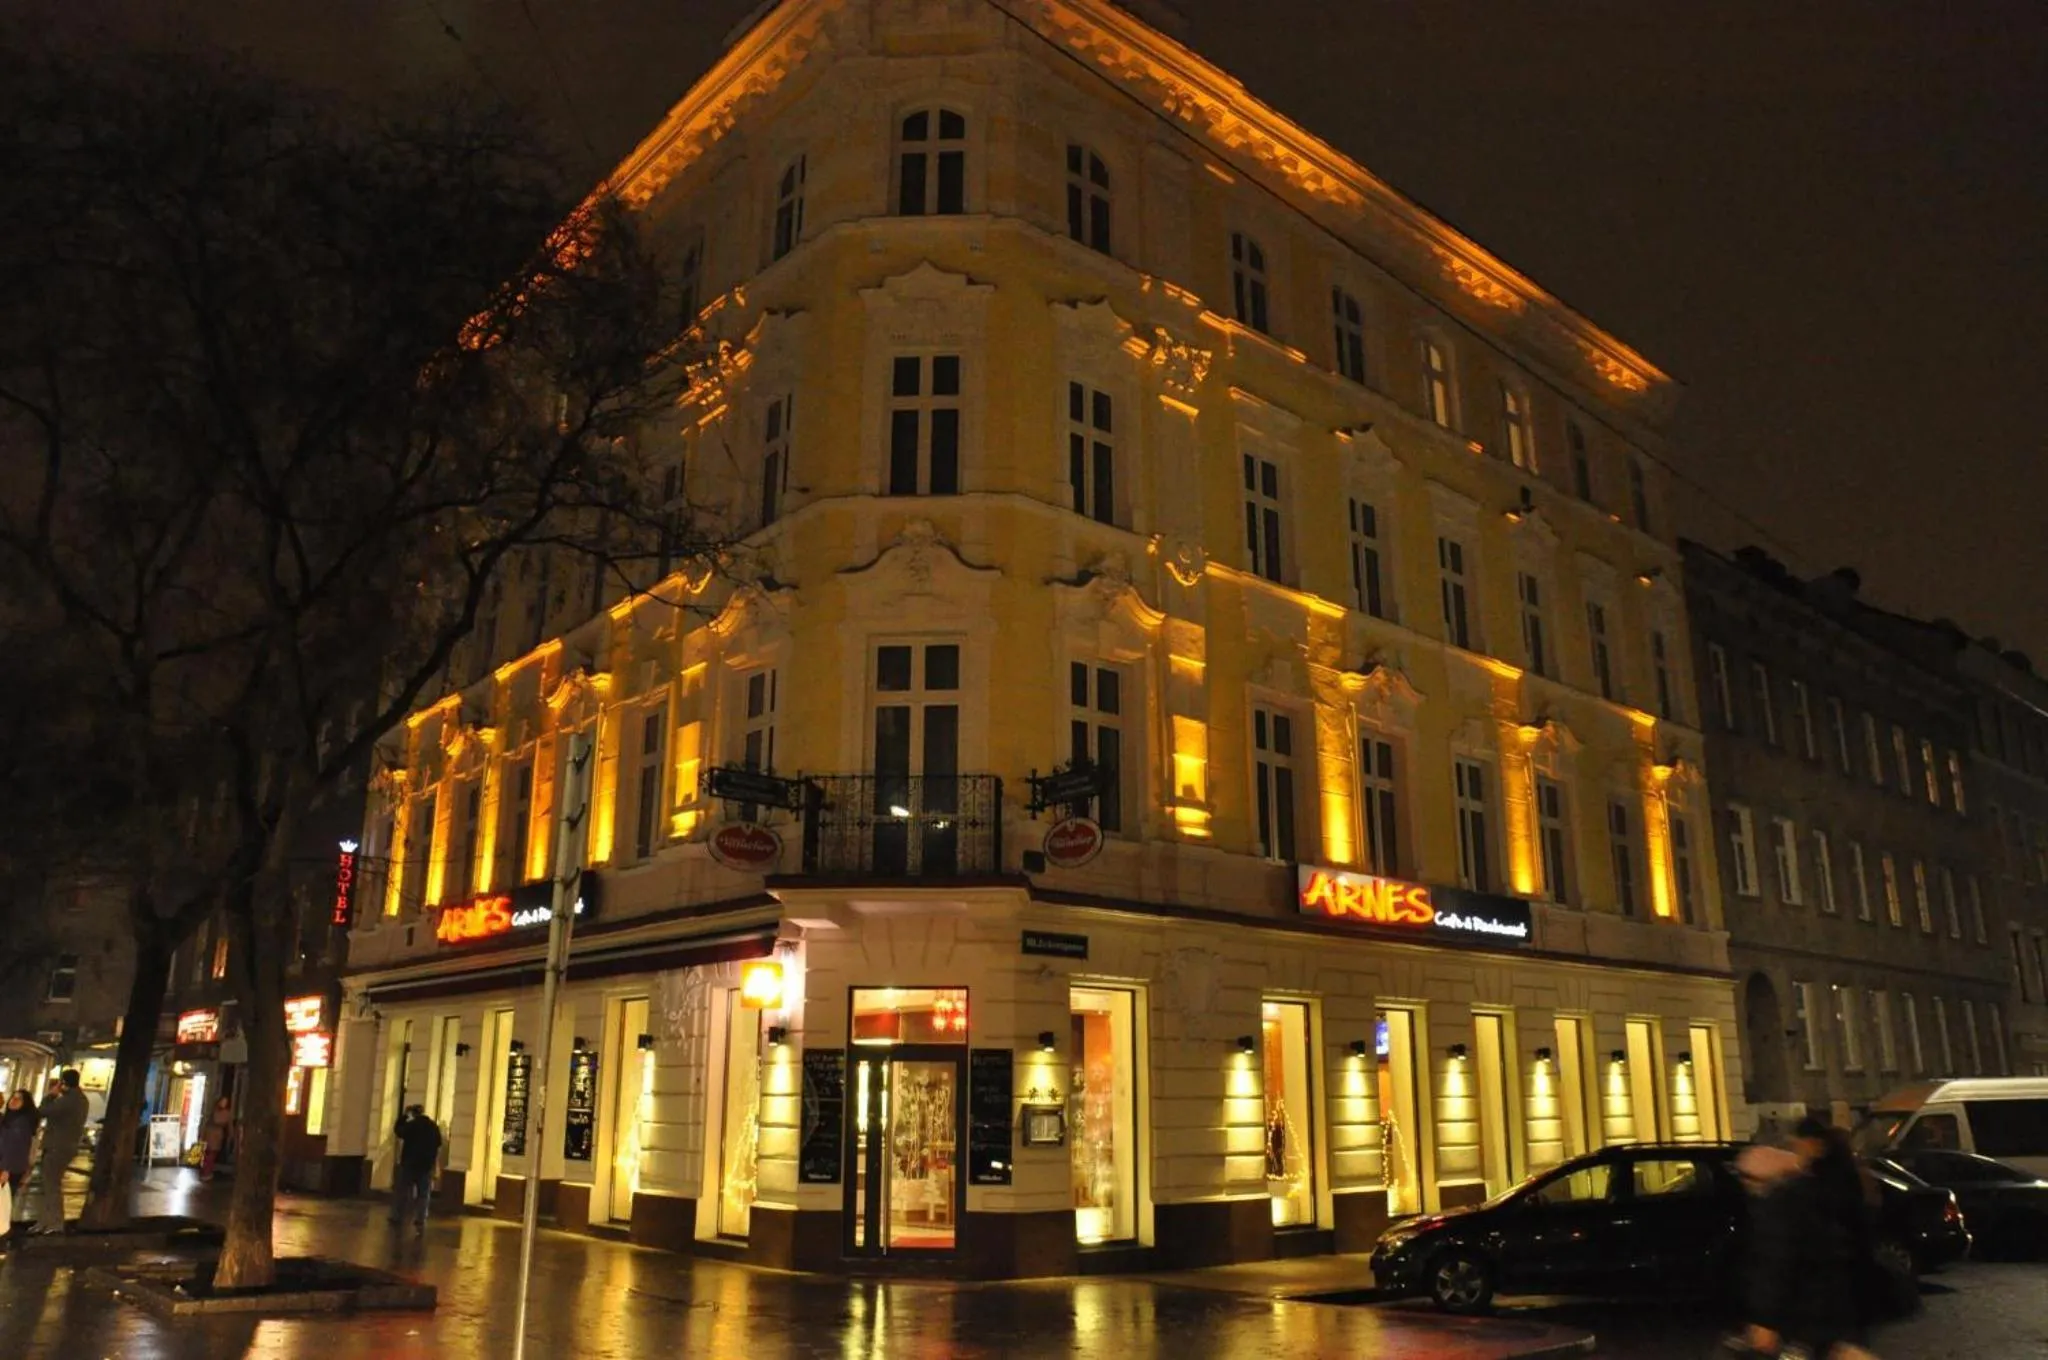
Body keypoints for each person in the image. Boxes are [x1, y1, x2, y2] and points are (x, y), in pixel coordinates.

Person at [1741, 1117, 1881, 1359]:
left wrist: (1765, 1319)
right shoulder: (1844, 1185)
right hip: (1841, 1306)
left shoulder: (1792, 1197)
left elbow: (1778, 1258)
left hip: (1809, 1314)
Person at [33, 1070, 88, 1235]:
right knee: (50, 1185)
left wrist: (50, 1095)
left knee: (51, 1186)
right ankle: (45, 1221)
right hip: (65, 1146)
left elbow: (42, 1111)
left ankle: (54, 1222)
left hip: (57, 1147)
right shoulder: (81, 1100)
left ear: (63, 1083)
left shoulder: (67, 1101)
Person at [389, 1104, 443, 1232]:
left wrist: (403, 1116)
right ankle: (421, 1218)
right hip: (426, 1165)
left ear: (413, 1113)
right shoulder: (433, 1126)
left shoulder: (412, 1125)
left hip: (410, 1164)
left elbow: (398, 1131)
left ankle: (398, 1216)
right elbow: (439, 1143)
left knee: (403, 1191)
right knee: (423, 1194)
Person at [1, 1090, 40, 1236]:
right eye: (13, 1097)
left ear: (25, 1104)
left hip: (9, 1168)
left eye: (19, 1099)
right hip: (10, 1166)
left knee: (4, 1201)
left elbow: (13, 1147)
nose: (14, 1101)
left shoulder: (20, 1122)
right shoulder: (11, 1119)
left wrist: (6, 1169)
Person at [199, 1096, 235, 1181]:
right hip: (210, 1134)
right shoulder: (213, 1111)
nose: (223, 1103)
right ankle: (206, 1172)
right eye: (222, 1101)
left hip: (217, 1135)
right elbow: (207, 1123)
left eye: (225, 1102)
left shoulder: (226, 1113)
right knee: (208, 1154)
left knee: (212, 1154)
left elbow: (229, 1125)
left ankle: (207, 1172)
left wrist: (231, 1136)